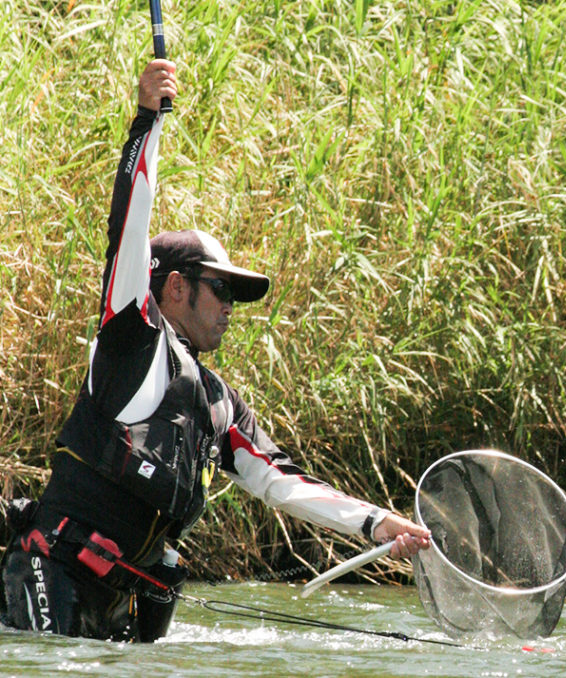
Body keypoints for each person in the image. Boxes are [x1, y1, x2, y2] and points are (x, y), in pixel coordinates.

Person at [0, 59, 430, 642]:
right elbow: (128, 227)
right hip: (49, 580)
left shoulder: (219, 405)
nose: (231, 306)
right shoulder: (131, 341)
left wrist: (378, 524)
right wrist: (146, 122)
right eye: (222, 290)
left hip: (117, 607)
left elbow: (283, 482)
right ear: (175, 287)